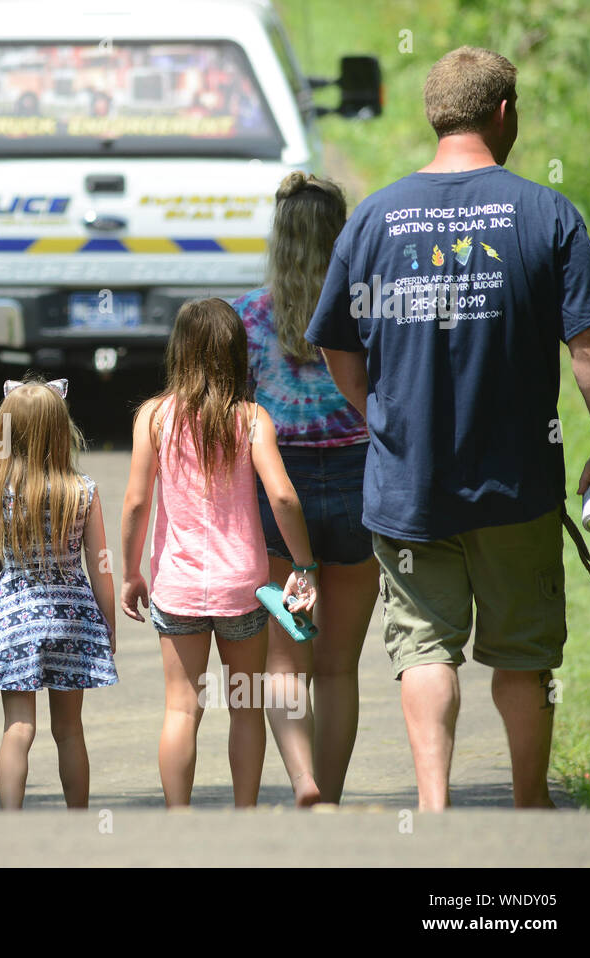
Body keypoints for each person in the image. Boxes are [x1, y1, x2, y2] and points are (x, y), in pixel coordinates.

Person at [306, 47, 590, 811]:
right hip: (517, 486)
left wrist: (377, 417)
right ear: (504, 112)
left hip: (410, 488)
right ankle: (530, 800)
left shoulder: (373, 216)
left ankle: (436, 810)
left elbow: (336, 340)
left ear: (433, 114)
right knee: (525, 654)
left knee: (423, 646)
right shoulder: (548, 214)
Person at [120, 298, 317, 807]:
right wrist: (303, 566)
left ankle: (180, 819)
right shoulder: (252, 419)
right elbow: (283, 497)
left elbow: (138, 501)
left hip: (177, 587)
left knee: (182, 709)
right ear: (237, 352)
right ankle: (245, 814)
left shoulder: (154, 418)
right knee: (244, 707)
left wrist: (129, 572)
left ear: (178, 351)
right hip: (242, 589)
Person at [231, 171, 377, 806]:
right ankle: (333, 800)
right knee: (339, 667)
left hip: (274, 491)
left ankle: (302, 782)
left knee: (285, 661)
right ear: (340, 235)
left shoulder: (245, 318)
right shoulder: (369, 308)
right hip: (357, 482)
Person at [0, 377, 116, 809]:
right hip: (73, 616)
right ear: (61, 429)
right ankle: (77, 818)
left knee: (18, 728)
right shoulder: (82, 490)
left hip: (16, 618)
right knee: (69, 729)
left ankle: (12, 824)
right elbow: (101, 566)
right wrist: (107, 628)